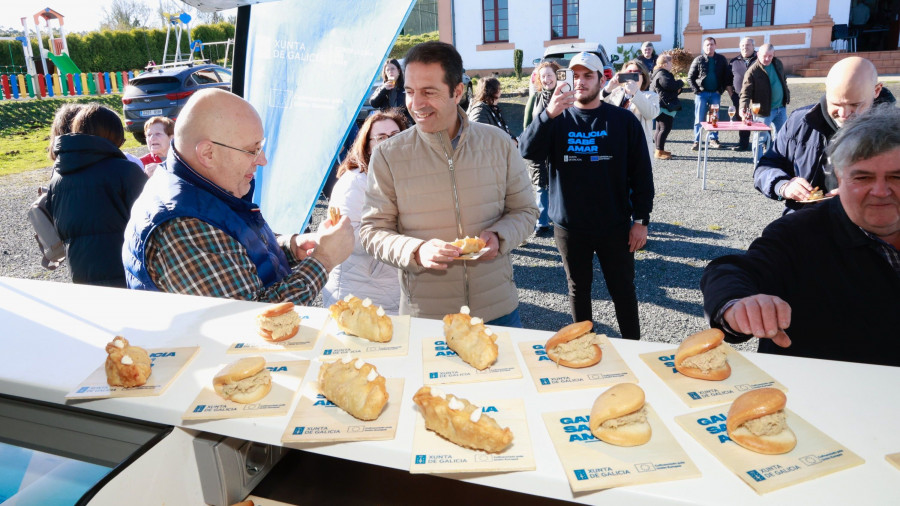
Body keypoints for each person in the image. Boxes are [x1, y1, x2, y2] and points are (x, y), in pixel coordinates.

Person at [700, 105, 900, 367]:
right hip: (820, 397)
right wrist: (738, 305)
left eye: (897, 177)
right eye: (863, 177)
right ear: (839, 176)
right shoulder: (800, 233)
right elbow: (729, 271)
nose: (881, 191)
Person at [359, 41, 537, 326]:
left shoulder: (499, 144)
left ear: (457, 92)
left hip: (498, 310)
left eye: (428, 92)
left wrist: (500, 236)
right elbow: (372, 231)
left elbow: (526, 212)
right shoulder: (388, 155)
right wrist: (415, 250)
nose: (415, 104)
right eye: (409, 92)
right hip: (427, 318)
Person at [122, 88, 354, 303]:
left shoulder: (195, 186)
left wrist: (290, 247)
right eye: (252, 150)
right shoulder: (181, 227)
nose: (262, 160)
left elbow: (234, 245)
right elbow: (254, 320)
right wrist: (323, 260)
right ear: (208, 153)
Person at [519, 51, 655, 340]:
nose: (580, 81)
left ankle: (633, 347)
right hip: (569, 227)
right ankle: (583, 346)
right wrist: (548, 114)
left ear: (601, 79)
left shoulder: (623, 121)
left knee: (623, 290)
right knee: (578, 290)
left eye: (587, 75)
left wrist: (641, 220)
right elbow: (527, 151)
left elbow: (642, 175)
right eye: (574, 75)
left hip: (615, 226)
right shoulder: (555, 118)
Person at [754, 56, 884, 214]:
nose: (844, 114)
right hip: (802, 223)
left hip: (865, 232)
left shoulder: (893, 134)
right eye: (836, 103)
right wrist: (783, 185)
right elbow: (767, 166)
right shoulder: (799, 121)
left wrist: (865, 195)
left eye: (855, 104)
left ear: (876, 90)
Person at [46, 104, 147, 287]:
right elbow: (150, 223)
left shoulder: (57, 179)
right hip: (127, 275)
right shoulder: (125, 171)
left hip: (81, 275)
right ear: (113, 136)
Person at [321, 110, 409, 314]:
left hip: (389, 286)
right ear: (367, 146)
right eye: (380, 138)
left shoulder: (403, 177)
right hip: (359, 291)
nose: (389, 142)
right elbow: (346, 236)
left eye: (396, 135)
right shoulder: (354, 182)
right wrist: (407, 233)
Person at [523, 61, 560, 235]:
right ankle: (542, 221)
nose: (546, 79)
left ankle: (560, 216)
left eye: (549, 75)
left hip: (560, 148)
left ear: (557, 76)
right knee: (541, 185)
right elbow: (527, 127)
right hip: (540, 150)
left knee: (560, 183)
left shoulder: (567, 96)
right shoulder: (535, 98)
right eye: (543, 76)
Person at [740, 43, 790, 159]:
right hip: (763, 110)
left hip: (780, 108)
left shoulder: (778, 63)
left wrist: (786, 93)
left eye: (770, 56)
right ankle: (758, 165)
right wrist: (743, 108)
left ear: (773, 55)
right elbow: (745, 93)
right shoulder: (752, 71)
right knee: (760, 138)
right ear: (758, 54)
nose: (767, 59)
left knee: (781, 138)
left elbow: (783, 79)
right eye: (764, 56)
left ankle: (777, 163)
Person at [602, 59, 659, 160]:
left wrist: (635, 93)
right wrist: (608, 88)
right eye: (628, 73)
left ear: (643, 77)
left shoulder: (650, 96)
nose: (632, 77)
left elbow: (651, 114)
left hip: (637, 147)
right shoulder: (615, 92)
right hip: (615, 144)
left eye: (636, 74)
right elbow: (596, 107)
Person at [688, 37, 734, 150]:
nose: (709, 47)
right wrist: (697, 91)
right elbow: (690, 78)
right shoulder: (698, 59)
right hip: (702, 94)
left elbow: (726, 76)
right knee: (699, 118)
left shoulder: (721, 59)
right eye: (707, 45)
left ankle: (713, 139)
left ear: (715, 46)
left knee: (715, 117)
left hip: (715, 94)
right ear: (704, 47)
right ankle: (697, 141)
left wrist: (720, 90)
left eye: (712, 44)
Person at [650, 53, 683, 160]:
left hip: (660, 104)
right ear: (664, 64)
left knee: (660, 128)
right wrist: (680, 82)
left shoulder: (658, 73)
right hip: (664, 105)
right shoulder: (662, 74)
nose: (672, 65)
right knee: (665, 128)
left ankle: (659, 149)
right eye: (670, 62)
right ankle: (659, 152)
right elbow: (670, 85)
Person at [728, 37, 756, 152]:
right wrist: (732, 95)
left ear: (753, 47)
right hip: (739, 97)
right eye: (743, 46)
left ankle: (764, 143)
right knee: (742, 120)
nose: (745, 47)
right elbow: (728, 80)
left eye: (748, 45)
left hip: (757, 97)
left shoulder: (759, 59)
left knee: (760, 120)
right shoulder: (733, 62)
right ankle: (743, 144)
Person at [466, 76, 515, 141]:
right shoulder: (479, 110)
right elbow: (476, 139)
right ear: (492, 91)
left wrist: (513, 140)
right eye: (499, 88)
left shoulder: (491, 107)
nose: (501, 92)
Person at [369, 58, 412, 123]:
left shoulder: (406, 86)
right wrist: (384, 90)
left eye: (392, 69)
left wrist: (408, 121)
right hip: (387, 123)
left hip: (404, 123)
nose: (390, 72)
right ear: (385, 73)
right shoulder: (382, 87)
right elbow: (373, 103)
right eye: (387, 70)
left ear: (399, 71)